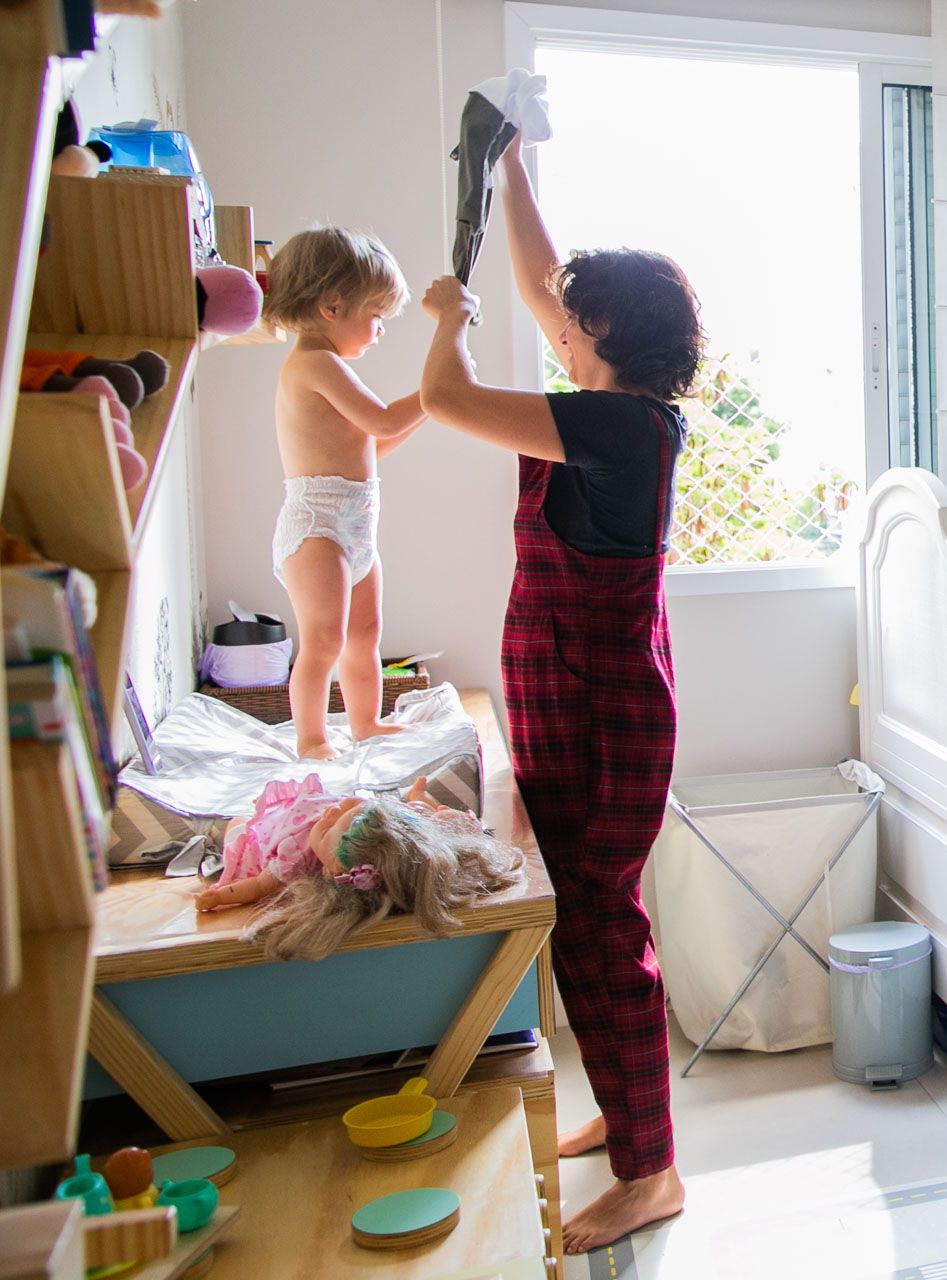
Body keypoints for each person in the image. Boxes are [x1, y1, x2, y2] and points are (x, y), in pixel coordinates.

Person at [415, 131, 700, 1252]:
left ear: (609, 338)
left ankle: (652, 1172)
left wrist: (447, 317)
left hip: (599, 708)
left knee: (598, 926)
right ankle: (635, 1127)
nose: (558, 326)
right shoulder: (608, 400)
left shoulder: (615, 423)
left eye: (575, 324)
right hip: (581, 693)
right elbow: (544, 285)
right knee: (585, 921)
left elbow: (444, 396)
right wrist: (511, 171)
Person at [261, 228, 427, 759]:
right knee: (324, 640)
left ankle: (366, 724)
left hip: (355, 526)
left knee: (366, 636)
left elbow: (373, 447)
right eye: (375, 316)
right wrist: (435, 392)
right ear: (332, 307)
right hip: (317, 527)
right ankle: (310, 737)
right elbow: (381, 418)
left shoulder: (328, 367)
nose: (379, 331)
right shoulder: (315, 364)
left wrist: (430, 407)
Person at [196, 775, 524, 962]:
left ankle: (248, 820)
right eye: (354, 808)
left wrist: (219, 897)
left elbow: (257, 886)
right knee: (428, 814)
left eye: (327, 829)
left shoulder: (294, 858)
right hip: (394, 824)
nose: (335, 809)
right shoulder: (385, 829)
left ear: (329, 871)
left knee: (239, 824)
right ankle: (421, 800)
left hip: (271, 832)